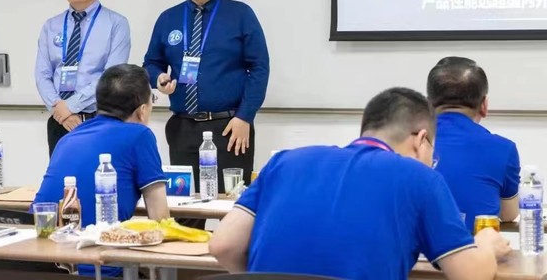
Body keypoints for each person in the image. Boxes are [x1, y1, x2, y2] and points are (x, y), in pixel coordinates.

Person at [209, 87, 511, 280]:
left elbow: (223, 245)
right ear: (421, 140)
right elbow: (470, 274)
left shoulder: (284, 161)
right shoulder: (419, 177)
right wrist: (486, 245)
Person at [143, 0, 269, 192]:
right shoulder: (168, 18)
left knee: (231, 202)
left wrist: (245, 116)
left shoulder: (240, 14)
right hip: (183, 126)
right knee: (185, 203)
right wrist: (158, 79)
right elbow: (151, 62)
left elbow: (259, 67)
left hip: (229, 127)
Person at [34, 63, 169, 277]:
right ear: (142, 111)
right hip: (99, 267)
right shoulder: (140, 135)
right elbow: (160, 218)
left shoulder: (68, 138)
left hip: (41, 265)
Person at [35, 0, 131, 157]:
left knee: (102, 175)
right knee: (63, 176)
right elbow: (42, 74)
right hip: (59, 121)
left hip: (100, 119)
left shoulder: (116, 24)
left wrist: (71, 105)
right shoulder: (51, 26)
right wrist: (60, 110)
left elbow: (111, 76)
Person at [427, 56, 520, 233]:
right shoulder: (503, 148)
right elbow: (509, 214)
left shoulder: (405, 144)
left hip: (412, 250)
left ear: (428, 105)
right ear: (484, 105)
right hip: (475, 249)